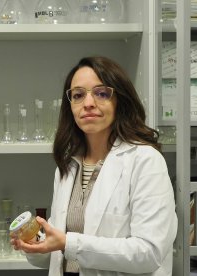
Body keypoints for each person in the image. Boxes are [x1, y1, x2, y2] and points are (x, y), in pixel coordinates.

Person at [11, 56, 177, 275]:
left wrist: (68, 243)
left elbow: (149, 252)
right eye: (78, 95)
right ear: (70, 106)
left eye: (101, 93)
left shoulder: (145, 161)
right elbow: (57, 256)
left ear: (120, 100)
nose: (88, 103)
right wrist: (34, 245)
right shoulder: (68, 166)